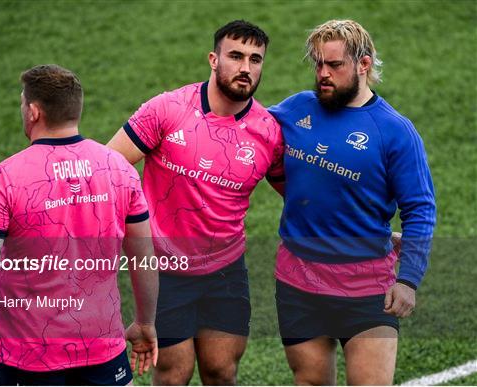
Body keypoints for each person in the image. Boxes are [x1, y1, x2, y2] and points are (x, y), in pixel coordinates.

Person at [0, 64, 158, 385]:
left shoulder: (5, 177)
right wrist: (145, 322)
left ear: (33, 112)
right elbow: (144, 257)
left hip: (29, 356)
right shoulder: (119, 168)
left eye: (23, 103)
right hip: (103, 349)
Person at [107, 20, 284, 385]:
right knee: (174, 373)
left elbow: (304, 197)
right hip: (164, 273)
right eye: (235, 56)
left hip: (226, 272)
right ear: (213, 60)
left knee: (221, 371)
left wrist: (371, 232)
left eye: (255, 59)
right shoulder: (167, 110)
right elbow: (107, 167)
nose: (245, 68)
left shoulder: (269, 132)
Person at [269, 20, 436, 384]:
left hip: (367, 287)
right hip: (299, 281)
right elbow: (248, 138)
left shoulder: (394, 130)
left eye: (334, 65)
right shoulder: (296, 109)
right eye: (318, 64)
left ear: (363, 64)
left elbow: (420, 208)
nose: (323, 74)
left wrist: (408, 279)